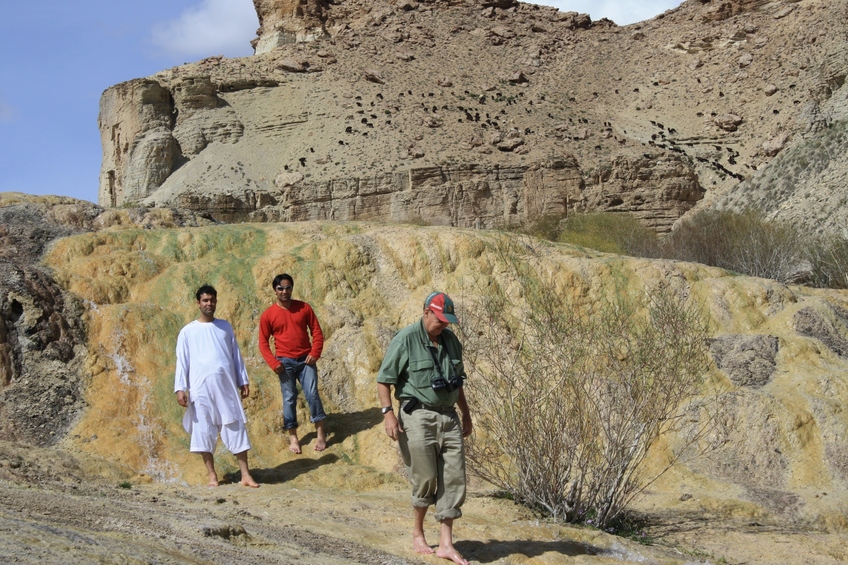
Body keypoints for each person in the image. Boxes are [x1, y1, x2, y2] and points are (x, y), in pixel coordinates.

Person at [377, 291, 472, 565]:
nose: (443, 325)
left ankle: (446, 544)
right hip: (417, 415)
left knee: (454, 478)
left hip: (449, 416)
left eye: (447, 321)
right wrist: (388, 415)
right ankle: (418, 532)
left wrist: (466, 414)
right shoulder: (405, 338)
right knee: (426, 477)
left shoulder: (452, 341)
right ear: (426, 312)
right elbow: (384, 380)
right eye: (440, 319)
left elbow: (457, 382)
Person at [174, 285, 259, 488]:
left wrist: (243, 379)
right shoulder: (187, 331)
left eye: (212, 300)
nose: (209, 303)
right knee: (203, 430)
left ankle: (245, 475)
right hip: (200, 389)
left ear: (216, 302)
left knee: (235, 425)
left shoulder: (225, 327)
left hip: (226, 387)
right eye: (205, 300)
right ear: (198, 303)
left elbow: (235, 355)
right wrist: (180, 388)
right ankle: (212, 476)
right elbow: (182, 361)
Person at [258, 273, 327, 453]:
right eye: (280, 288)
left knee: (312, 394)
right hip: (284, 362)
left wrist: (315, 353)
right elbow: (263, 343)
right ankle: (294, 438)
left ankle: (320, 434)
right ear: (275, 290)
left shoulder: (304, 308)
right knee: (289, 398)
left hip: (306, 360)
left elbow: (317, 332)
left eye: (288, 287)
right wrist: (274, 363)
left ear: (292, 288)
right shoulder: (268, 315)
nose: (284, 291)